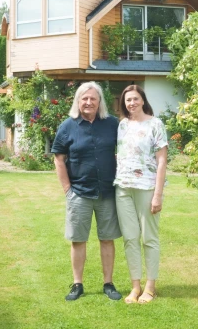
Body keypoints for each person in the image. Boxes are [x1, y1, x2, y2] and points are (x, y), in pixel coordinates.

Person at [51, 81, 122, 301]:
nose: (88, 102)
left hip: (107, 192)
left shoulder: (113, 124)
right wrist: (67, 189)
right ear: (78, 101)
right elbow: (59, 158)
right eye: (84, 98)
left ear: (99, 101)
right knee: (78, 240)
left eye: (93, 98)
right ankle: (77, 284)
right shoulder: (68, 126)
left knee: (107, 239)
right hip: (79, 193)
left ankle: (108, 283)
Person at [114, 85, 168, 304]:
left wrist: (158, 194)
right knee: (130, 239)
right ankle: (135, 287)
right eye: (128, 100)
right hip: (123, 187)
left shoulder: (155, 124)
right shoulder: (122, 125)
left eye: (135, 99)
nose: (131, 103)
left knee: (149, 238)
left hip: (147, 187)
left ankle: (150, 287)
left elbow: (162, 160)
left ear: (143, 100)